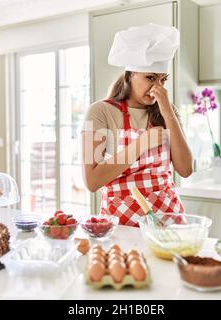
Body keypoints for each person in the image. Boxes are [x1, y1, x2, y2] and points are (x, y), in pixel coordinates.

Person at [81, 23, 193, 226]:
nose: (157, 88)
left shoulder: (168, 112)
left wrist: (168, 112)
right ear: (130, 75)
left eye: (163, 80)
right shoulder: (100, 112)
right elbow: (92, 180)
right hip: (122, 226)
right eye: (150, 78)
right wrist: (141, 144)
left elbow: (185, 169)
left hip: (169, 222)